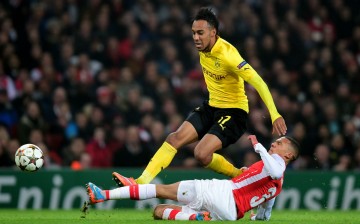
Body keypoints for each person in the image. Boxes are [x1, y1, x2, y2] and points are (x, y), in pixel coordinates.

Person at [112, 7, 287, 186]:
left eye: (200, 33)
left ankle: (237, 174)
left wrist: (274, 114)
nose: (196, 37)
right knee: (174, 138)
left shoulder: (228, 54)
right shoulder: (204, 47)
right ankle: (140, 182)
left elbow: (259, 82)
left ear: (213, 33)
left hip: (234, 112)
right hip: (212, 106)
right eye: (194, 33)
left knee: (201, 154)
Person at [86, 135, 299, 221]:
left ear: (288, 155)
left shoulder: (276, 165)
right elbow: (265, 215)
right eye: (275, 142)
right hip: (230, 214)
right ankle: (193, 217)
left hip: (223, 193)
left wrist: (259, 147)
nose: (274, 144)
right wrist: (255, 217)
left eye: (280, 144)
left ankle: (102, 195)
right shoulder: (277, 187)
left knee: (161, 190)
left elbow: (277, 170)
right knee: (158, 212)